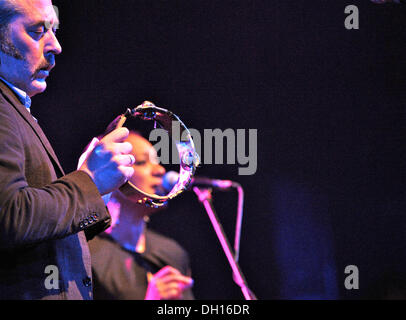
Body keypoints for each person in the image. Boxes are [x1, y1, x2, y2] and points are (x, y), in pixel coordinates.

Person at [0, 0, 135, 299]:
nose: (56, 46)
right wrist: (88, 181)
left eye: (54, 30)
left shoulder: (14, 108)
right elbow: (8, 217)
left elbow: (36, 238)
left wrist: (95, 190)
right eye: (37, 31)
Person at [89, 131, 195, 300]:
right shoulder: (86, 254)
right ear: (107, 179)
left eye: (157, 162)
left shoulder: (172, 253)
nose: (160, 170)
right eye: (141, 162)